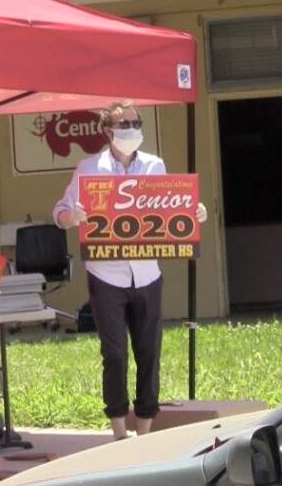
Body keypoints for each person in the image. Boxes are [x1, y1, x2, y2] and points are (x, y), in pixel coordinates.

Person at [53, 99, 207, 440]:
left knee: (149, 351)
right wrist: (72, 217)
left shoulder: (154, 165)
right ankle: (120, 432)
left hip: (147, 273)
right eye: (126, 124)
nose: (133, 129)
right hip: (106, 275)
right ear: (108, 131)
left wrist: (193, 213)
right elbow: (59, 212)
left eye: (137, 123)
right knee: (115, 354)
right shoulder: (88, 168)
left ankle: (147, 428)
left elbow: (170, 211)